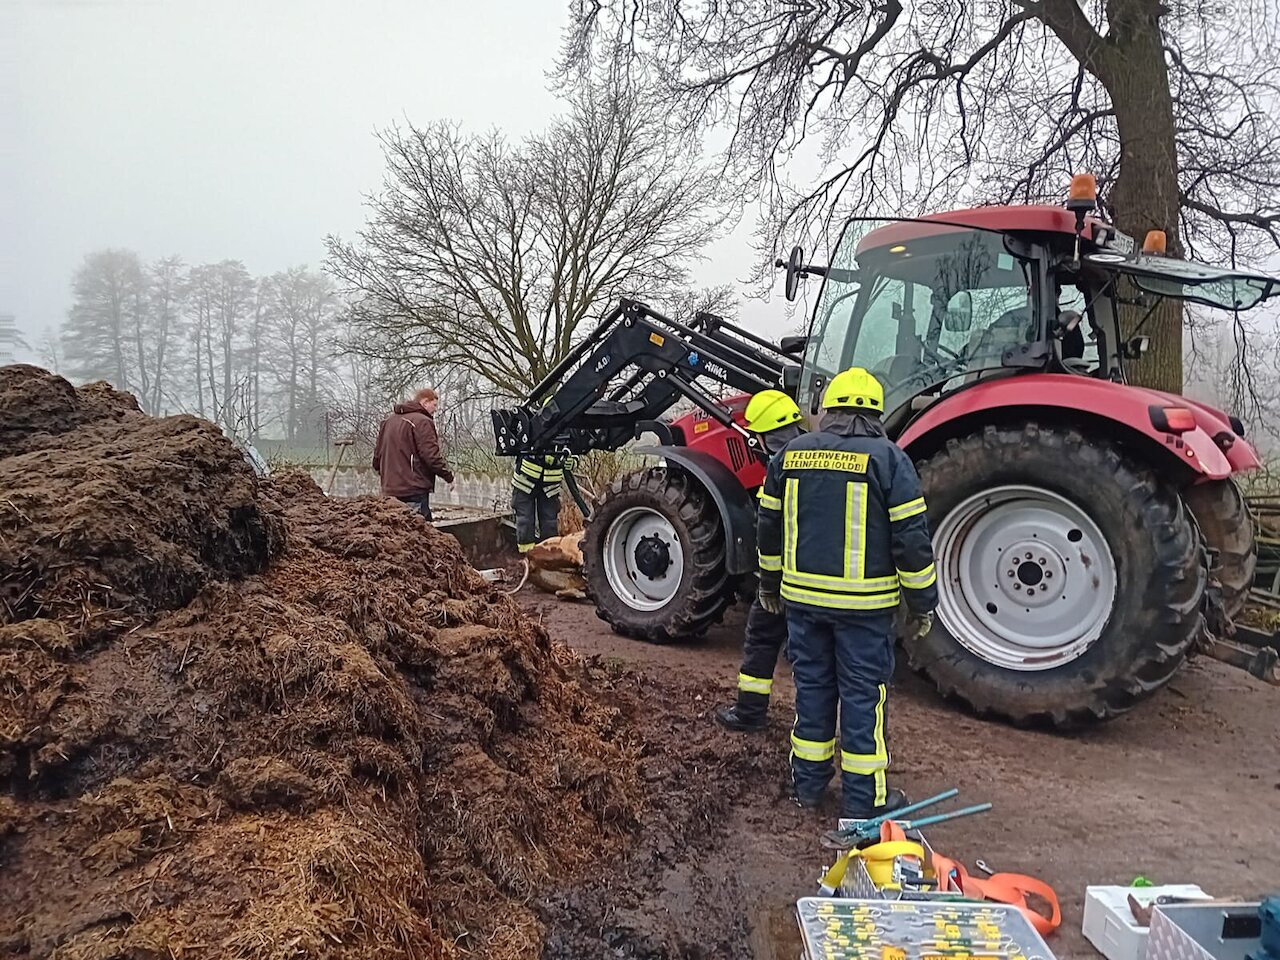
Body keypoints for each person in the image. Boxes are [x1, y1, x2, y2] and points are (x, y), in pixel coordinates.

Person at [756, 367, 938, 818]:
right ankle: (864, 802)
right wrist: (923, 602)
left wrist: (769, 585)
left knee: (812, 691)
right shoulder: (890, 460)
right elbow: (911, 539)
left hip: (803, 605)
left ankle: (808, 788)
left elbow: (769, 530)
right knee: (862, 699)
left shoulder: (790, 456)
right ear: (877, 412)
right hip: (864, 612)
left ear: (828, 408)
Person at [715, 389, 806, 733]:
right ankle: (812, 727)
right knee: (811, 663)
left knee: (763, 640)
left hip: (785, 579)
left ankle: (750, 713)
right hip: (818, 582)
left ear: (766, 436)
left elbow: (767, 530)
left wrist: (768, 584)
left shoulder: (780, 468)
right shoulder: (818, 454)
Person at [372, 387, 454, 520]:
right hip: (413, 489)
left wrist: (384, 474)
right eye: (434, 405)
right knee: (421, 533)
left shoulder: (388, 422)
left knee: (395, 533)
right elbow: (431, 456)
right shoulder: (422, 422)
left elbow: (377, 457)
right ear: (425, 402)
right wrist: (448, 476)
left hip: (389, 490)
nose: (436, 409)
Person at [511, 451, 568, 553]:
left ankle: (549, 555)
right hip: (525, 480)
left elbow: (577, 441)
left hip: (550, 484)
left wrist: (572, 459)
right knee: (525, 521)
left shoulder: (566, 434)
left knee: (549, 523)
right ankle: (527, 556)